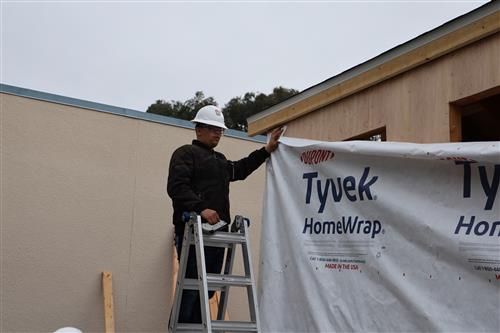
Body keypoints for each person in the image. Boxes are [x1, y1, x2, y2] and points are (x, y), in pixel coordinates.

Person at [167, 104, 282, 323]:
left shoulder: (220, 160)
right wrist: (201, 208)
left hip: (218, 236)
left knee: (208, 290)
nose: (217, 133)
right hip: (193, 235)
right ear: (198, 130)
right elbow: (177, 188)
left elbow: (239, 169)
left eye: (219, 130)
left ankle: (196, 328)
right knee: (191, 289)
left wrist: (265, 151)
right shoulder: (185, 154)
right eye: (212, 129)